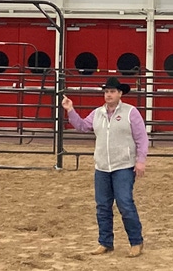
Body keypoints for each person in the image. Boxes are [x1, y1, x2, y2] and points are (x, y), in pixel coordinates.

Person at [61, 76, 148, 258]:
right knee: (102, 206)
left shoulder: (131, 112)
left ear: (120, 93)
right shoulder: (97, 113)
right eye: (106, 91)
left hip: (123, 165)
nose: (108, 95)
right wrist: (70, 110)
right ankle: (105, 242)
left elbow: (141, 138)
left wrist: (140, 160)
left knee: (125, 203)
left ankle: (136, 241)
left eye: (112, 91)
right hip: (102, 166)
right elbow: (83, 126)